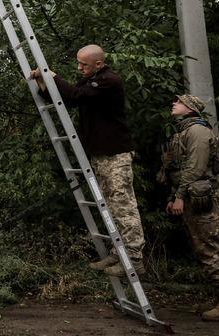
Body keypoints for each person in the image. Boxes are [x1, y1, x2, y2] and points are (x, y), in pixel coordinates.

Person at [30, 45, 146, 276]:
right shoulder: (91, 79)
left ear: (98, 64)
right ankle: (118, 252)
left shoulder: (108, 81)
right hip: (100, 154)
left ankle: (134, 258)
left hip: (115, 155)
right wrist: (43, 83)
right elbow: (71, 99)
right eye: (79, 62)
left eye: (83, 64)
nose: (79, 67)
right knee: (111, 207)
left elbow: (73, 94)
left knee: (124, 207)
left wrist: (51, 74)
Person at [162, 94, 219, 321]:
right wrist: (174, 196)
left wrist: (179, 197)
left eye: (178, 102)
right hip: (192, 197)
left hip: (200, 199)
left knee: (211, 248)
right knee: (202, 247)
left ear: (190, 109)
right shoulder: (185, 131)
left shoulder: (196, 132)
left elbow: (195, 169)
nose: (173, 103)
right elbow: (180, 169)